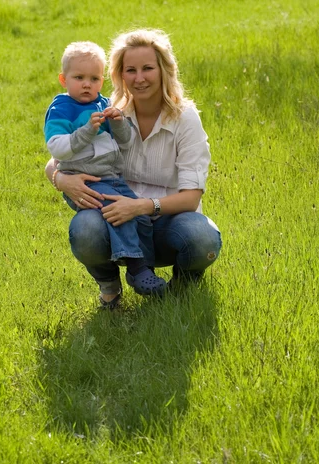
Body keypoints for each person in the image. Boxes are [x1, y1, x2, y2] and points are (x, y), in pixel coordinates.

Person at [45, 29, 222, 309]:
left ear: (164, 70)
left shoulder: (185, 118)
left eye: (148, 68)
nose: (139, 78)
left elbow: (191, 198)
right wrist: (59, 178)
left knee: (202, 238)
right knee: (85, 228)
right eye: (131, 70)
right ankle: (110, 290)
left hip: (167, 223)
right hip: (115, 221)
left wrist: (139, 207)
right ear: (120, 75)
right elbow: (63, 155)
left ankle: (181, 289)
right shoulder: (110, 112)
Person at [45, 41, 168, 302]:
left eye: (94, 78)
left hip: (112, 178)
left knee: (141, 217)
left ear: (103, 80)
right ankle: (134, 265)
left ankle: (144, 268)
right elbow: (57, 148)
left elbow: (124, 143)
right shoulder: (61, 108)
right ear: (63, 79)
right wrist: (88, 131)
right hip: (86, 179)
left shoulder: (104, 103)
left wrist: (119, 121)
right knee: (117, 213)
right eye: (79, 78)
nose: (87, 84)